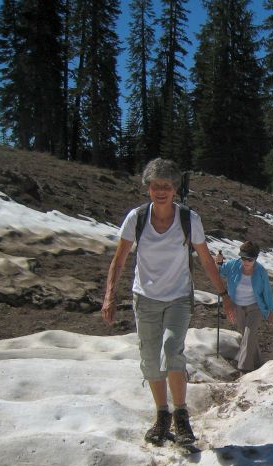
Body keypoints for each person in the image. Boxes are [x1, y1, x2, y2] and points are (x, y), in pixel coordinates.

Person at [101, 158, 235, 448]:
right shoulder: (136, 218)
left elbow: (206, 260)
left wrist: (224, 296)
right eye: (155, 185)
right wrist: (110, 295)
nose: (160, 191)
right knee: (150, 359)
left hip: (177, 297)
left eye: (166, 186)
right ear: (147, 188)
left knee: (172, 350)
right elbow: (119, 260)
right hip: (144, 298)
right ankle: (162, 414)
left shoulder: (189, 219)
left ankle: (181, 415)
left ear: (175, 189)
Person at [219, 241, 273, 372]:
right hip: (237, 307)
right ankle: (258, 362)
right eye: (243, 258)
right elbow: (221, 273)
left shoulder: (261, 271)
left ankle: (244, 369)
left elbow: (266, 292)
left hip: (255, 308)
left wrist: (271, 311)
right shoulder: (233, 265)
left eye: (249, 259)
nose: (245, 261)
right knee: (246, 336)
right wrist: (219, 263)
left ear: (255, 258)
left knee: (249, 336)